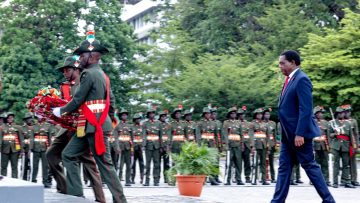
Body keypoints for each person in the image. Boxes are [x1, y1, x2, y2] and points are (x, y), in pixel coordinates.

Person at [52, 27, 126, 203]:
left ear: (92, 56)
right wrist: (108, 120)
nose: (80, 59)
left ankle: (120, 200)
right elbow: (111, 103)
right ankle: (76, 195)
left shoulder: (88, 74)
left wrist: (60, 111)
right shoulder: (103, 75)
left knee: (105, 164)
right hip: (90, 126)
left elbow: (78, 99)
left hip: (94, 126)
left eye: (82, 55)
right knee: (68, 154)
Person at [271, 50, 335, 203]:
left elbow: (305, 109)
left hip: (298, 135)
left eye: (282, 63)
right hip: (288, 135)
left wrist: (300, 133)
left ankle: (328, 200)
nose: (280, 66)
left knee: (309, 166)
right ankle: (277, 201)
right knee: (284, 168)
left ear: (293, 63)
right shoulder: (289, 80)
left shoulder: (302, 79)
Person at [47, 55, 106, 202]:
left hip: (82, 125)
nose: (65, 73)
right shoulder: (64, 86)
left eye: (67, 70)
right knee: (51, 155)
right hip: (66, 127)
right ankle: (65, 189)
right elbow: (64, 104)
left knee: (88, 163)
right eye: (64, 71)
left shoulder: (85, 80)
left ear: (76, 69)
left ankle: (99, 198)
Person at [330, 106, 355, 188]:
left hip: (346, 146)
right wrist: (335, 134)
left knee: (346, 164)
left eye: (343, 113)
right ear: (337, 114)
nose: (342, 114)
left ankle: (346, 181)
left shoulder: (348, 123)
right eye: (340, 113)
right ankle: (335, 182)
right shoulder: (332, 123)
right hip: (336, 146)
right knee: (336, 164)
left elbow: (351, 136)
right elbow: (330, 135)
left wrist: (353, 146)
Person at [197, 107, 219, 185]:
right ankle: (203, 179)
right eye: (206, 114)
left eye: (209, 113)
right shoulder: (200, 123)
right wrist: (199, 145)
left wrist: (217, 145)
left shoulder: (214, 123)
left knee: (212, 162)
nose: (208, 115)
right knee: (203, 162)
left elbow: (216, 135)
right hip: (204, 144)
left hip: (212, 144)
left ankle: (212, 179)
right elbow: (198, 135)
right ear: (204, 115)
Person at [222, 107, 243, 185]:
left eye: (234, 113)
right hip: (230, 145)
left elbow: (241, 134)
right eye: (232, 113)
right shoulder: (226, 123)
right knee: (229, 163)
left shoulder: (238, 122)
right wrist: (226, 145)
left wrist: (242, 144)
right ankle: (227, 179)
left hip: (237, 145)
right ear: (229, 114)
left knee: (238, 163)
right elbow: (225, 134)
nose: (233, 114)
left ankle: (238, 179)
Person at [31, 116, 53, 187]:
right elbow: (32, 138)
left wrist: (50, 147)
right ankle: (33, 180)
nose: (40, 118)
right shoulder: (33, 126)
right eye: (38, 117)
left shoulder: (47, 126)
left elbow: (49, 138)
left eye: (41, 117)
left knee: (45, 166)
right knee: (35, 165)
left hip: (45, 148)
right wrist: (31, 147)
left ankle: (45, 181)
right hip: (36, 148)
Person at [0, 112, 24, 178]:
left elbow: (21, 139)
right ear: (6, 119)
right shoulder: (2, 127)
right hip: (4, 149)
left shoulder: (18, 127)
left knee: (14, 166)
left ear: (13, 118)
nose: (10, 119)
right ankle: (3, 181)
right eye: (8, 118)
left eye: (11, 117)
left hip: (15, 150)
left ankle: (15, 180)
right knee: (3, 166)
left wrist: (22, 150)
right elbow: (0, 139)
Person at [143, 109, 162, 186]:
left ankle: (156, 180)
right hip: (148, 145)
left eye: (153, 113)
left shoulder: (159, 123)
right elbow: (144, 135)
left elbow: (160, 135)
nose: (152, 115)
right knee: (147, 164)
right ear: (148, 115)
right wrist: (144, 145)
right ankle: (147, 180)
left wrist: (161, 146)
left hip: (157, 146)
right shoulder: (145, 123)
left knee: (157, 163)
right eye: (150, 114)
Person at [114, 108, 132, 186]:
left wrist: (132, 148)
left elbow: (132, 138)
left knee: (128, 164)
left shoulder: (130, 125)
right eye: (123, 115)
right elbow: (116, 137)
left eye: (125, 115)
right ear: (120, 116)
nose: (124, 116)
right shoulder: (118, 126)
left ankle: (128, 180)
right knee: (120, 165)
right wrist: (117, 147)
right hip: (120, 147)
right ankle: (119, 179)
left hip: (128, 146)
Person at [251, 108, 270, 185]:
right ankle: (254, 179)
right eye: (258, 114)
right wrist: (252, 146)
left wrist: (268, 146)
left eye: (261, 114)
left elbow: (268, 136)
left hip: (263, 145)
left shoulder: (265, 124)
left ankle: (263, 179)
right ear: (255, 115)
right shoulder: (253, 124)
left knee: (263, 163)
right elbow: (251, 135)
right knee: (255, 163)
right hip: (256, 145)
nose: (260, 115)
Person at [313, 106, 331, 186]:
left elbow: (328, 135)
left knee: (325, 163)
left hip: (324, 146)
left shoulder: (326, 123)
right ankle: (314, 180)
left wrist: (329, 146)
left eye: (322, 113)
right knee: (315, 164)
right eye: (319, 113)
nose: (321, 114)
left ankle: (326, 179)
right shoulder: (312, 122)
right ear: (316, 114)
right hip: (315, 146)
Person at [343, 105, 359, 186]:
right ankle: (345, 180)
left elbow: (356, 133)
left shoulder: (353, 121)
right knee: (345, 162)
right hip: (344, 144)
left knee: (353, 163)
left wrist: (357, 145)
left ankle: (354, 180)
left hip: (352, 144)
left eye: (349, 111)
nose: (347, 113)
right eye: (346, 112)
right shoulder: (340, 121)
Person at [238, 107, 253, 184]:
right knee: (238, 162)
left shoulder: (248, 124)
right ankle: (237, 177)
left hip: (247, 144)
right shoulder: (236, 123)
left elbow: (251, 135)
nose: (242, 116)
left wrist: (251, 145)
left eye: (243, 114)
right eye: (240, 115)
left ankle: (247, 177)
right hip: (238, 144)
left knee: (247, 162)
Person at [263, 108, 277, 183]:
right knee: (263, 162)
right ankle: (264, 177)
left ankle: (273, 177)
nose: (267, 115)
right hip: (263, 144)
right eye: (265, 114)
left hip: (271, 144)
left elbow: (274, 134)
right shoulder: (261, 123)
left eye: (268, 114)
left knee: (271, 162)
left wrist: (275, 144)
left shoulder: (273, 123)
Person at [130, 113, 145, 184]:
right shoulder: (131, 127)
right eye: (137, 119)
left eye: (139, 119)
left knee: (141, 163)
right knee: (133, 164)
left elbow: (144, 137)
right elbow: (130, 137)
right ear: (134, 120)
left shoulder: (142, 127)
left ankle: (142, 178)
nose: (138, 120)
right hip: (134, 147)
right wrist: (131, 147)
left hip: (140, 148)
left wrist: (143, 146)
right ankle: (132, 178)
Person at [158, 110, 171, 183]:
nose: (163, 117)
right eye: (162, 116)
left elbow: (169, 136)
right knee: (158, 163)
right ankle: (157, 178)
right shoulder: (157, 124)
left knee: (167, 163)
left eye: (164, 116)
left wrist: (168, 145)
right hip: (159, 146)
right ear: (159, 117)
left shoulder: (168, 125)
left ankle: (167, 178)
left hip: (166, 146)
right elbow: (158, 136)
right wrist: (160, 146)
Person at [21, 112, 34, 181]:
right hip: (25, 149)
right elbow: (21, 139)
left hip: (33, 150)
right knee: (24, 165)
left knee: (32, 165)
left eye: (31, 118)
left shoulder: (34, 127)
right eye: (28, 119)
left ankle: (31, 178)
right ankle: (24, 178)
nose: (30, 120)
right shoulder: (22, 128)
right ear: (25, 120)